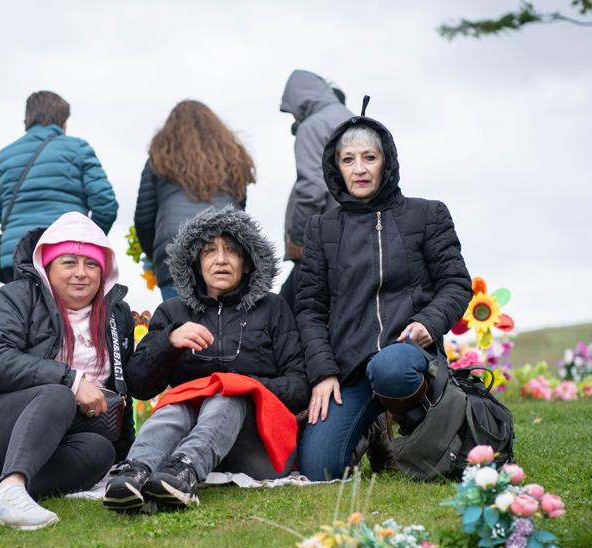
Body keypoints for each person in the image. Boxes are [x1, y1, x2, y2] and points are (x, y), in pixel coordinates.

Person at [295, 99, 472, 481]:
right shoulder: (322, 229)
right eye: (348, 160)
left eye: (369, 158)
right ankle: (374, 429)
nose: (359, 168)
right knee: (318, 468)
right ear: (336, 167)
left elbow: (456, 284)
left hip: (408, 359)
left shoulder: (428, 215)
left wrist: (428, 323)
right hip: (349, 370)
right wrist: (324, 372)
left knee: (390, 367)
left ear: (386, 162)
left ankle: (419, 420)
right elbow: (309, 309)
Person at [0, 212, 135, 530]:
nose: (81, 273)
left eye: (91, 264)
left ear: (104, 271)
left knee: (99, 451)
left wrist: (126, 460)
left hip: (48, 449)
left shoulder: (115, 315)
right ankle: (9, 491)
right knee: (59, 393)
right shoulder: (15, 297)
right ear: (46, 266)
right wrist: (72, 380)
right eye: (69, 263)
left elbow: (122, 391)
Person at [104, 207, 309, 510]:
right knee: (178, 405)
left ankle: (184, 473)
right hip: (183, 434)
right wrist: (168, 343)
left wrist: (243, 386)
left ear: (248, 263)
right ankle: (134, 471)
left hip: (255, 444)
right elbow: (139, 386)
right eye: (209, 251)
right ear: (196, 263)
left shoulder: (273, 308)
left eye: (232, 251)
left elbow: (299, 386)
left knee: (227, 395)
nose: (221, 259)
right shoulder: (173, 312)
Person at [0, 90, 118, 283]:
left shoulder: (4, 156)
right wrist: (87, 239)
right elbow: (106, 206)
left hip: (14, 256)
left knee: (18, 303)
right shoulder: (78, 149)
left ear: (27, 120)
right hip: (62, 253)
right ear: (63, 121)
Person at [134, 100, 255, 301]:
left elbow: (144, 219)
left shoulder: (159, 159)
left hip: (174, 254)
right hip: (224, 254)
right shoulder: (233, 159)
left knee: (178, 319)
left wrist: (156, 255)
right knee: (225, 319)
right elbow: (239, 212)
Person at [279, 70, 353, 309]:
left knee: (285, 312)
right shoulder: (351, 119)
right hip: (356, 239)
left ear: (298, 100)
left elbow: (312, 188)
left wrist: (299, 240)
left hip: (322, 242)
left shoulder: (313, 126)